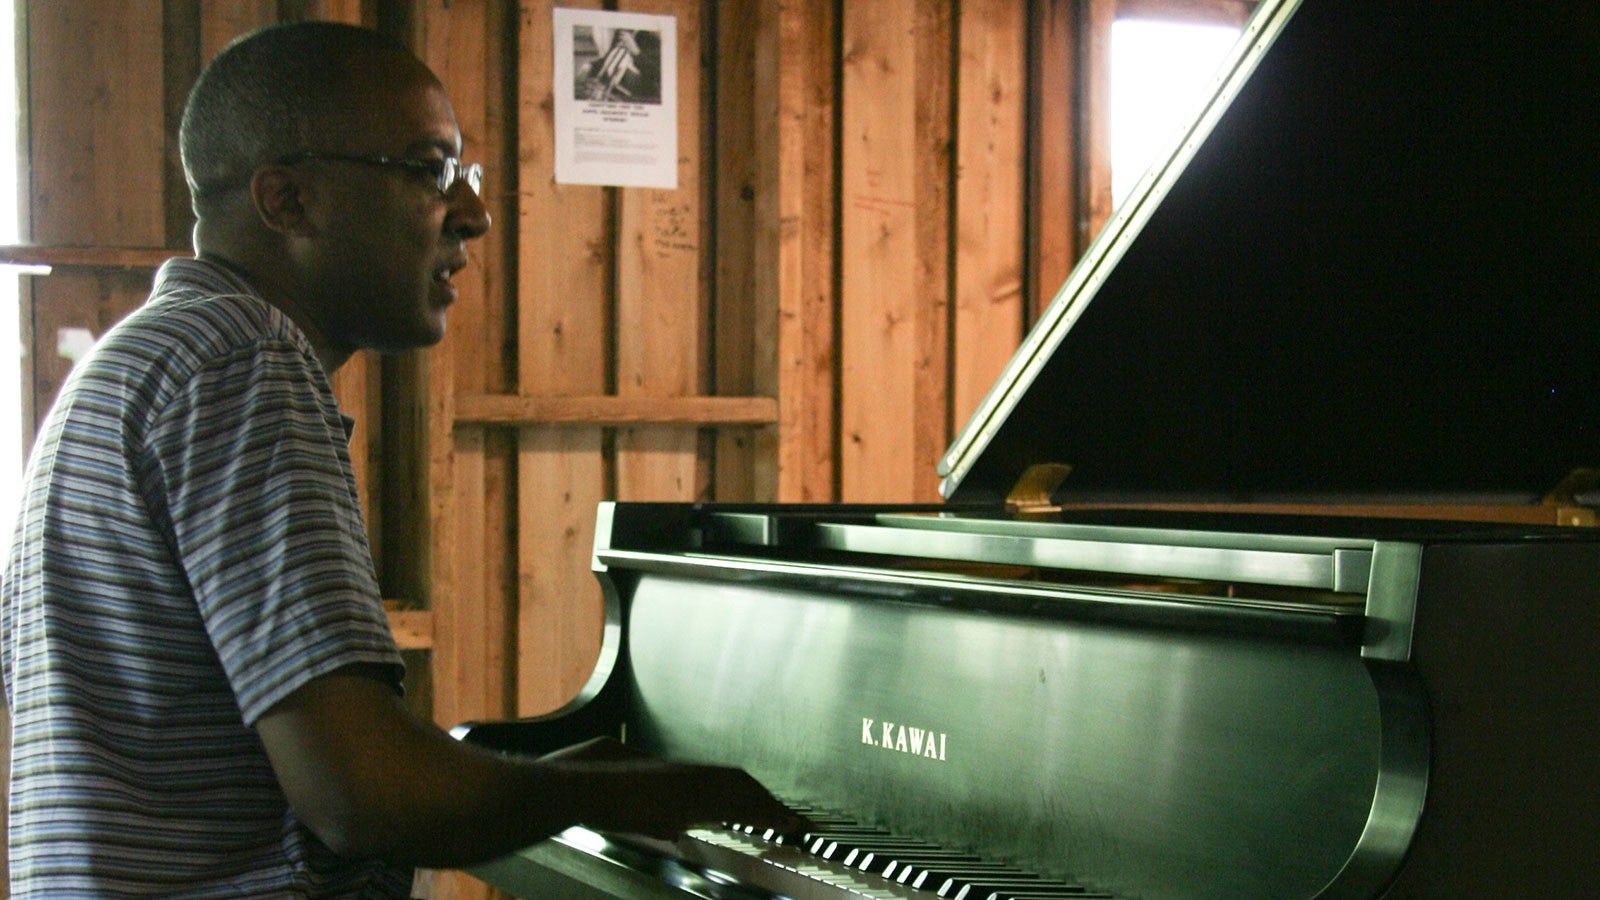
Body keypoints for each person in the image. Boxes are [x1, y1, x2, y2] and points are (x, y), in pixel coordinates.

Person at [0, 21, 801, 898]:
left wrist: (564, 786)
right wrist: (626, 793)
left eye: (464, 173)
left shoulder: (135, 367)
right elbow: (361, 797)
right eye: (427, 170)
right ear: (288, 201)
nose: (474, 214)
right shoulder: (241, 361)